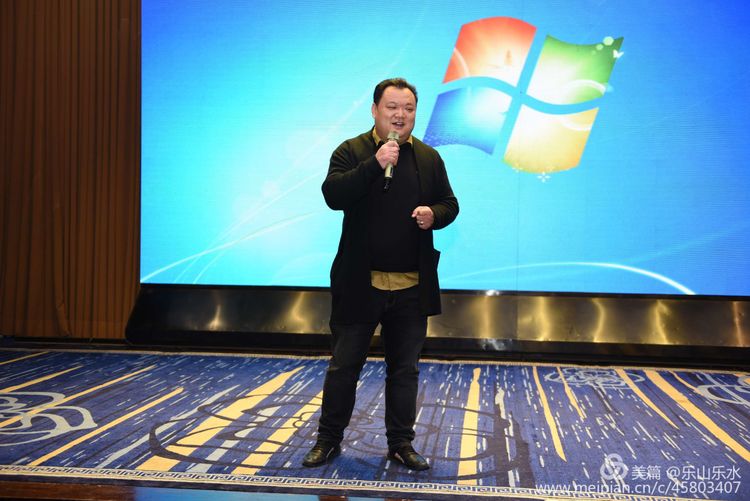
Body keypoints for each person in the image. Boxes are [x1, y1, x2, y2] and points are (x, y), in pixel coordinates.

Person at [302, 78, 459, 471]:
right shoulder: (352, 150)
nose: (400, 115)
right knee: (344, 367)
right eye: (392, 107)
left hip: (411, 286)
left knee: (404, 370)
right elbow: (333, 194)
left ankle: (401, 444)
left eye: (408, 108)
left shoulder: (428, 157)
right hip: (360, 283)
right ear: (375, 110)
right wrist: (376, 164)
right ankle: (328, 440)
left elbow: (449, 203)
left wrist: (434, 214)